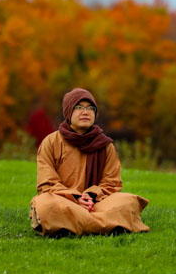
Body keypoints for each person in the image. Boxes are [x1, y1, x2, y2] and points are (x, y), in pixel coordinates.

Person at [30, 88, 150, 237]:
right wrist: (76, 198)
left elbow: (112, 183)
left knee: (127, 201)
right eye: (79, 108)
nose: (85, 112)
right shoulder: (51, 142)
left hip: (96, 204)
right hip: (64, 201)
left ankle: (72, 224)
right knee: (45, 204)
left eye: (90, 108)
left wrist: (90, 196)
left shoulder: (105, 145)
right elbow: (47, 183)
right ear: (68, 112)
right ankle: (103, 225)